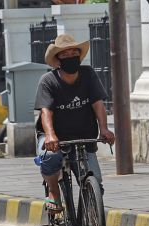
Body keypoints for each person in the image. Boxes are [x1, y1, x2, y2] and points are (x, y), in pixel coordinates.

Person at [34, 33, 115, 212]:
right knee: (50, 157)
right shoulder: (48, 81)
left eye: (73, 52)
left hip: (83, 136)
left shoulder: (88, 74)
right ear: (58, 59)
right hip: (56, 138)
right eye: (65, 54)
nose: (70, 56)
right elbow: (46, 111)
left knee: (95, 184)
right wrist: (50, 135)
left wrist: (104, 128)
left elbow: (97, 103)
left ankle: (90, 221)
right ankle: (54, 193)